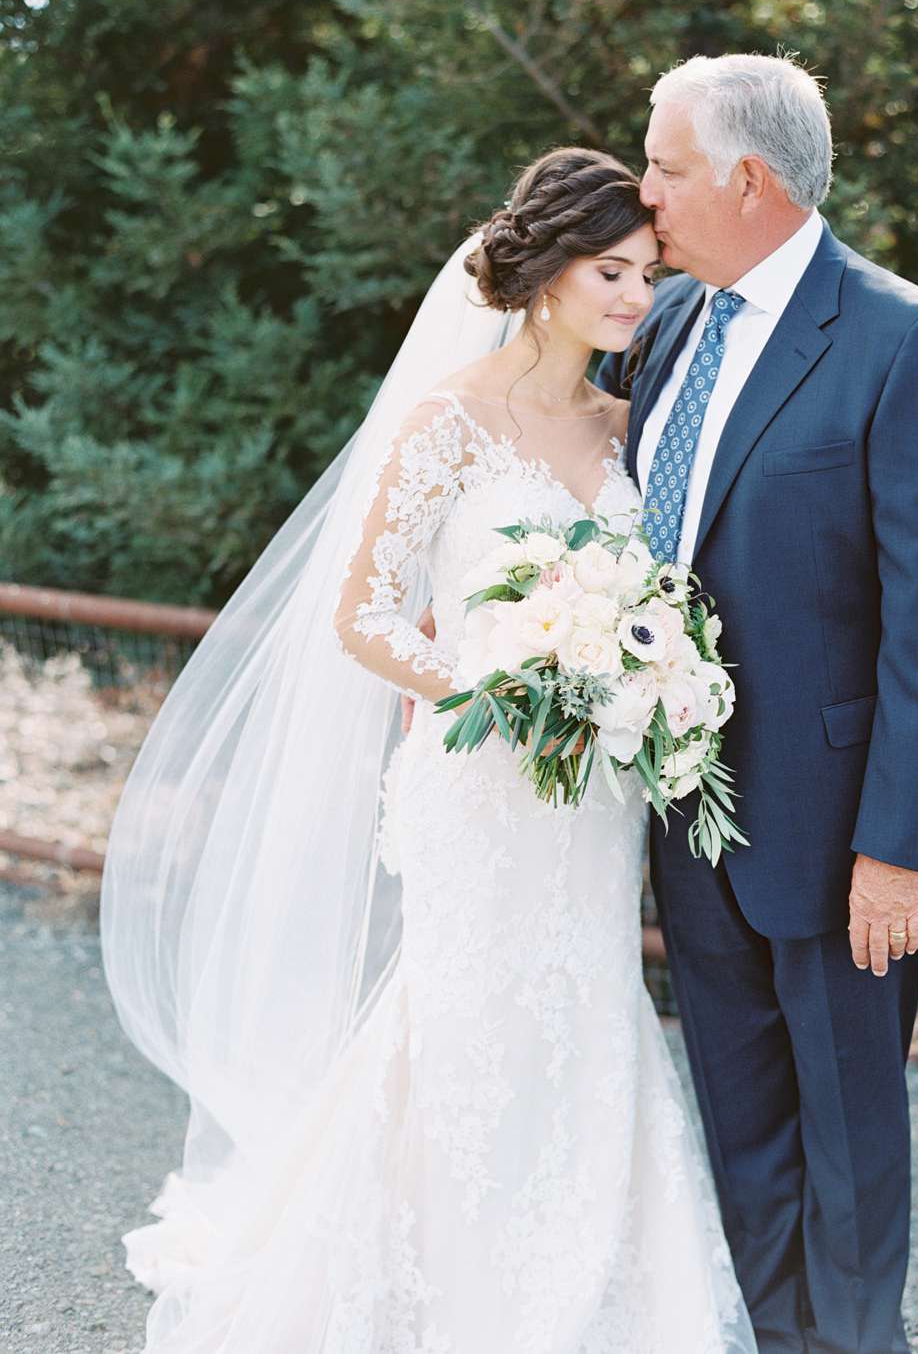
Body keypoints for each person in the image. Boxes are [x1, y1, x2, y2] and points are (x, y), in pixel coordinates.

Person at [99, 146, 757, 1352]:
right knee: (460, 1021)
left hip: (590, 795)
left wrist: (632, 682)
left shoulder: (631, 428)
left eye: (647, 273)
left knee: (587, 1009)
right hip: (479, 781)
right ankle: (424, 1293)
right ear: (548, 272)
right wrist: (502, 686)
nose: (634, 298)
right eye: (610, 270)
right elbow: (363, 614)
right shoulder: (447, 421)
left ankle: (585, 1297)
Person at [596, 54, 918, 1353]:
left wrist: (897, 851)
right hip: (693, 821)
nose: (641, 189)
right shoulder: (662, 326)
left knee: (849, 1155)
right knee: (748, 1145)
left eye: (661, 164)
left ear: (746, 178)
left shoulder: (901, 337)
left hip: (840, 841)